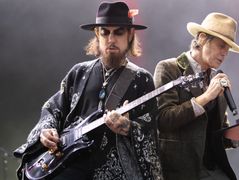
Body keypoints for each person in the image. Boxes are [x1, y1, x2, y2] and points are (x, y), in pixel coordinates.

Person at [13, 2, 162, 180]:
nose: (111, 39)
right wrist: (47, 131)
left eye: (118, 32)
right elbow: (53, 109)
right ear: (97, 34)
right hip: (69, 162)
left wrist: (128, 127)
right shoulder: (79, 73)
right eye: (105, 32)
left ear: (130, 35)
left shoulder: (142, 79)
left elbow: (153, 127)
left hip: (115, 169)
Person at [153, 12, 239, 180]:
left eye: (228, 48)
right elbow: (163, 120)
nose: (225, 53)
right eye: (221, 45)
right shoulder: (169, 68)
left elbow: (215, 134)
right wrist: (206, 97)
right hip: (179, 171)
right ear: (202, 38)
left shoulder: (217, 78)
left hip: (214, 170)